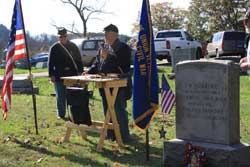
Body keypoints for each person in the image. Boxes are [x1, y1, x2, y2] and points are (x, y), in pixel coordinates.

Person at [84, 24, 132, 143]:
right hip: (104, 84)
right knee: (107, 110)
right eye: (105, 34)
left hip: (118, 85)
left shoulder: (123, 48)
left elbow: (123, 66)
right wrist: (89, 71)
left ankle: (124, 137)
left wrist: (108, 56)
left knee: (119, 110)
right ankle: (112, 135)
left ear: (114, 35)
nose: (105, 36)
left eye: (107, 34)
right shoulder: (103, 47)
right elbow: (97, 63)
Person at [48, 27, 83, 119]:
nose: (62, 38)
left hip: (72, 75)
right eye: (60, 37)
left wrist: (80, 72)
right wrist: (51, 75)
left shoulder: (73, 46)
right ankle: (61, 114)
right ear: (58, 37)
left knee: (72, 95)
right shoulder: (54, 48)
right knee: (60, 96)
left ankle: (74, 114)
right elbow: (50, 62)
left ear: (67, 36)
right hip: (59, 75)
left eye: (64, 36)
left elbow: (79, 60)